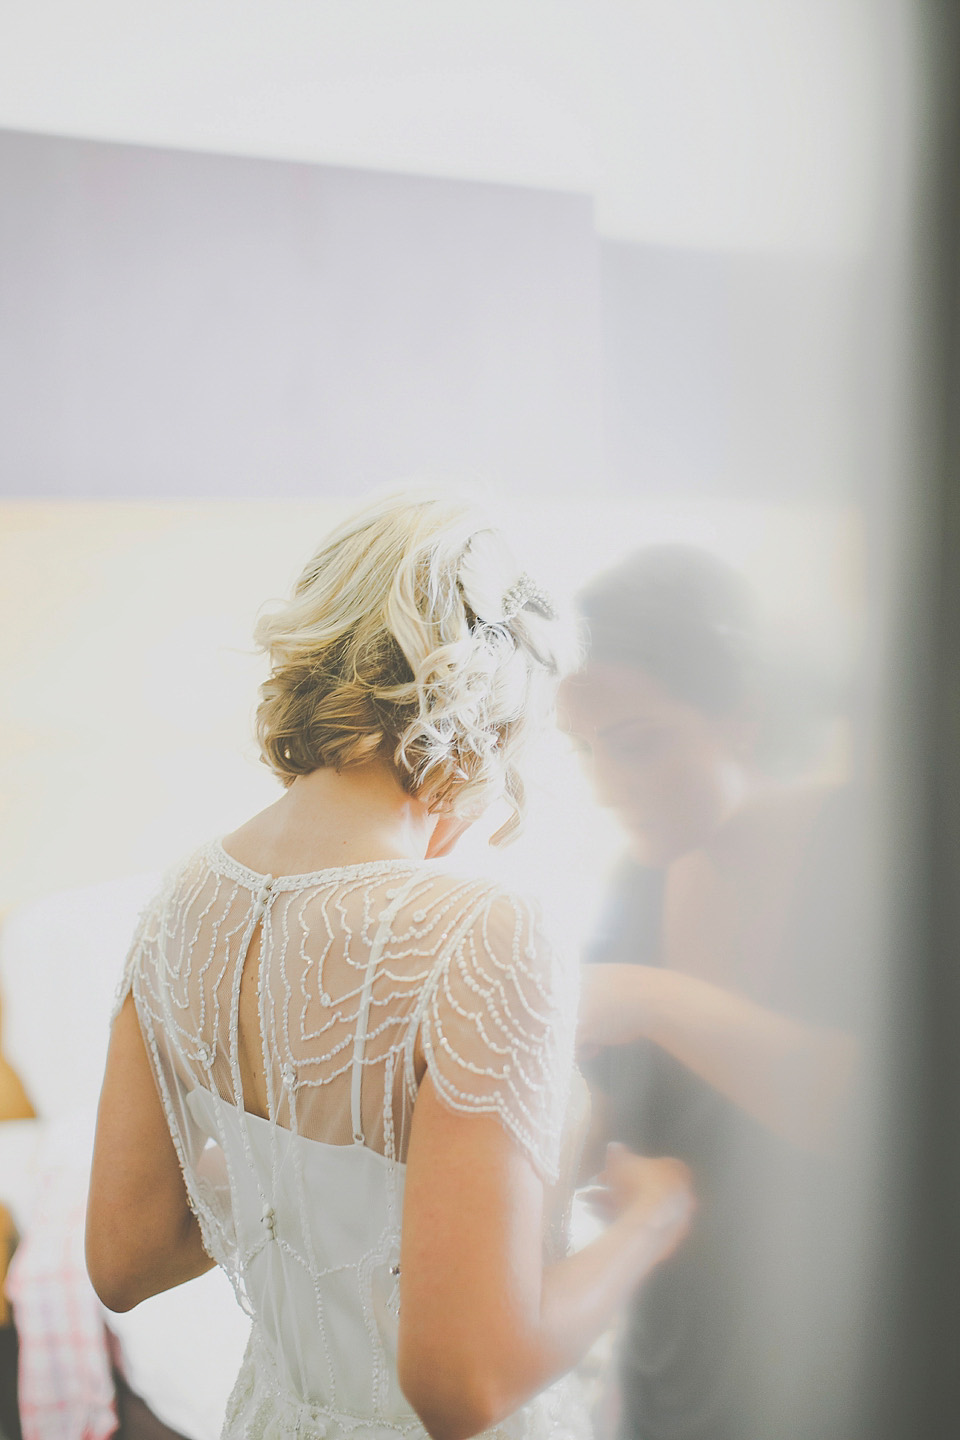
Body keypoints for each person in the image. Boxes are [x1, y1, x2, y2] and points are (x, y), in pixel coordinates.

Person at [85, 495, 694, 1440]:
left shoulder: (178, 903)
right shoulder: (483, 929)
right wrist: (649, 1223)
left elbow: (123, 1259)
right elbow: (466, 1389)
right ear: (494, 717)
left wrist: (295, 1186)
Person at [562, 545, 862, 1440]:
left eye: (639, 746)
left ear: (742, 718)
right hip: (676, 1379)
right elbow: (599, 1128)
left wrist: (652, 996)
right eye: (586, 753)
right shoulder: (638, 886)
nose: (608, 787)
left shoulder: (866, 861)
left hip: (841, 1379)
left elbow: (874, 1109)